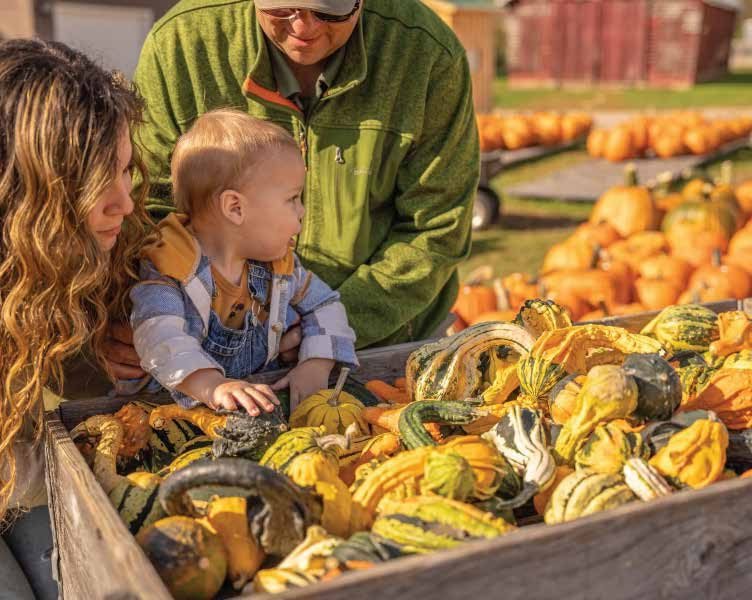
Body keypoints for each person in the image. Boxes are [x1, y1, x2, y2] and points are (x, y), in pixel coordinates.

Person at [110, 0, 479, 381]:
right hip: (199, 355)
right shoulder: (183, 44)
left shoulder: (428, 55)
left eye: (329, 11)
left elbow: (435, 228)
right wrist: (142, 315)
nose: (304, 28)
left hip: (386, 347)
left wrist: (325, 329)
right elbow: (143, 207)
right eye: (282, 9)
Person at [0, 39, 150, 599]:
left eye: (126, 170)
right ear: (26, 194)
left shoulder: (87, 246)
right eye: (97, 180)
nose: (126, 202)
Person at [129, 108, 358, 411]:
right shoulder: (171, 268)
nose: (302, 211)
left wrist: (316, 362)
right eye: (293, 198)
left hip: (252, 405)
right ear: (235, 208)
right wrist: (211, 385)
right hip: (167, 413)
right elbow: (160, 337)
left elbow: (325, 304)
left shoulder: (277, 264)